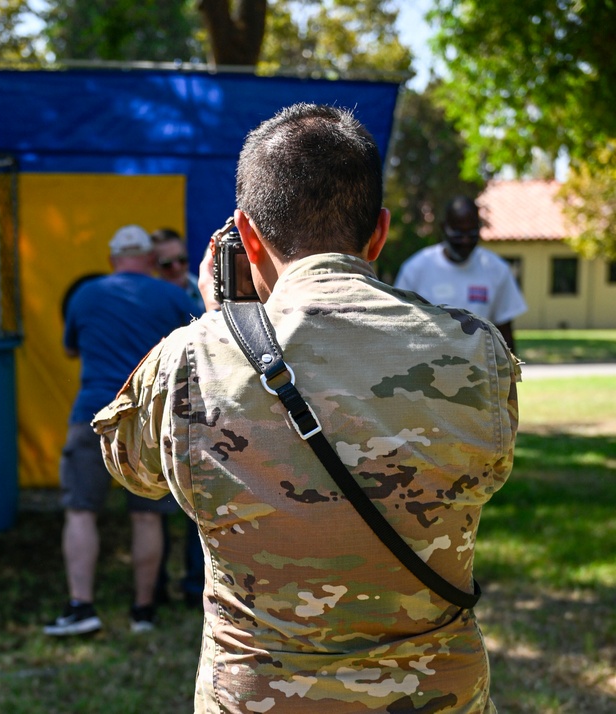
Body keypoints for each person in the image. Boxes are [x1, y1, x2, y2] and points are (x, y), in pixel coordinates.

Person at [93, 105, 519, 712]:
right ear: (378, 233)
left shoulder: (192, 358)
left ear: (244, 235)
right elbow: (490, 473)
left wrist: (219, 325)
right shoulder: (478, 351)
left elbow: (130, 468)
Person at [44, 224, 197, 636]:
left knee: (80, 511)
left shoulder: (85, 294)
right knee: (147, 517)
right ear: (150, 259)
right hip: (148, 417)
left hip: (91, 413)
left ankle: (82, 607)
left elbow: (70, 348)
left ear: (112, 260)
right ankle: (143, 612)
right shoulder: (172, 295)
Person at [149, 227, 206, 609]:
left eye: (180, 260)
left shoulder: (200, 291)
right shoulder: (146, 298)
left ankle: (192, 586)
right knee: (151, 507)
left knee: (194, 504)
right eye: (166, 263)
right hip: (158, 410)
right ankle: (153, 588)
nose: (175, 268)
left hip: (199, 411)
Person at [394, 195, 527, 351]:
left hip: (480, 371)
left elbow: (505, 333)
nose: (465, 241)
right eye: (458, 233)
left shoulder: (496, 269)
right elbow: (399, 327)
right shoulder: (415, 269)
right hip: (428, 370)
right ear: (444, 228)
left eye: (471, 233)